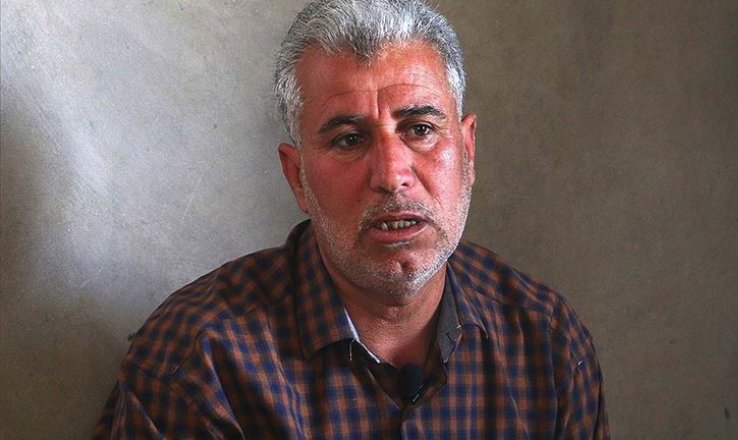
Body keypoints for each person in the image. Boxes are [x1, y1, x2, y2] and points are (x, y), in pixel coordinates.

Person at [93, 0, 609, 438]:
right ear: (298, 178)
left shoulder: (548, 344)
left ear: (468, 151)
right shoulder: (198, 364)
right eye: (349, 139)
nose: (391, 175)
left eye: (420, 129)